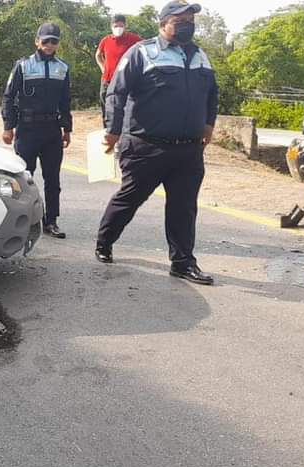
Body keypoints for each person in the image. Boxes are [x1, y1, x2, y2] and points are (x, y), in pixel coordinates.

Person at [97, 1, 219, 286]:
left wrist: (209, 124)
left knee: (184, 207)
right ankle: (104, 241)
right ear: (163, 24)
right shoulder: (142, 52)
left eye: (191, 20)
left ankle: (182, 262)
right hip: (145, 146)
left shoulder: (200, 55)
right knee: (130, 198)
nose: (188, 24)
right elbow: (117, 92)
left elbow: (212, 93)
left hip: (188, 149)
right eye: (181, 20)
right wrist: (113, 131)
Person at [2, 22, 73, 239]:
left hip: (52, 130)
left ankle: (51, 221)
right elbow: (8, 97)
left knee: (53, 179)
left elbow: (65, 101)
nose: (50, 45)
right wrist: (8, 126)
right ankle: (21, 221)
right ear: (37, 41)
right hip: (27, 129)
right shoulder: (23, 66)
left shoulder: (63, 68)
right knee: (24, 177)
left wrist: (67, 129)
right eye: (46, 41)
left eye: (54, 41)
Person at [95, 14, 142, 126]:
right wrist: (103, 68)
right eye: (116, 26)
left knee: (124, 109)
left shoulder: (134, 39)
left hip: (125, 82)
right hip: (107, 80)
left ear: (125, 26)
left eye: (121, 26)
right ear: (111, 26)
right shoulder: (106, 40)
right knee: (106, 108)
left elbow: (143, 51)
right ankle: (107, 131)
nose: (118, 28)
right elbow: (98, 55)